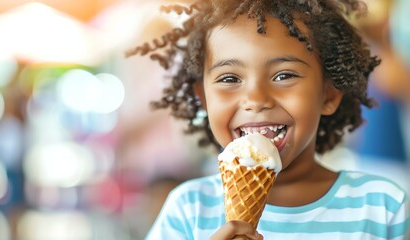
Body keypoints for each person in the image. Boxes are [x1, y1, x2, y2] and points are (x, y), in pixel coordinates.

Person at [126, 0, 410, 239]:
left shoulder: (383, 206)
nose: (256, 98)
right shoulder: (188, 210)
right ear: (204, 99)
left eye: (283, 75)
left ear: (328, 94)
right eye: (229, 78)